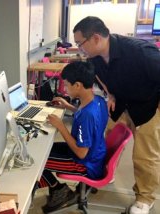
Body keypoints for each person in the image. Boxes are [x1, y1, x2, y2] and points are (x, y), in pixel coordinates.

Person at [73, 16, 160, 214]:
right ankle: (107, 171)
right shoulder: (94, 58)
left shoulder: (140, 52)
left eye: (80, 43)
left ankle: (145, 199)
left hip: (149, 107)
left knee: (145, 156)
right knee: (108, 140)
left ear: (95, 38)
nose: (80, 48)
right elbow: (101, 78)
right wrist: (109, 94)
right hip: (122, 105)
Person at [39, 61, 109, 213]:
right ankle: (55, 188)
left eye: (66, 85)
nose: (64, 88)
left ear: (77, 85)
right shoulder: (98, 101)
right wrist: (68, 106)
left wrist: (61, 126)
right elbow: (86, 117)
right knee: (42, 149)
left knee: (37, 160)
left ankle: (59, 189)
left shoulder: (87, 115)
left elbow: (81, 152)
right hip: (96, 154)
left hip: (84, 163)